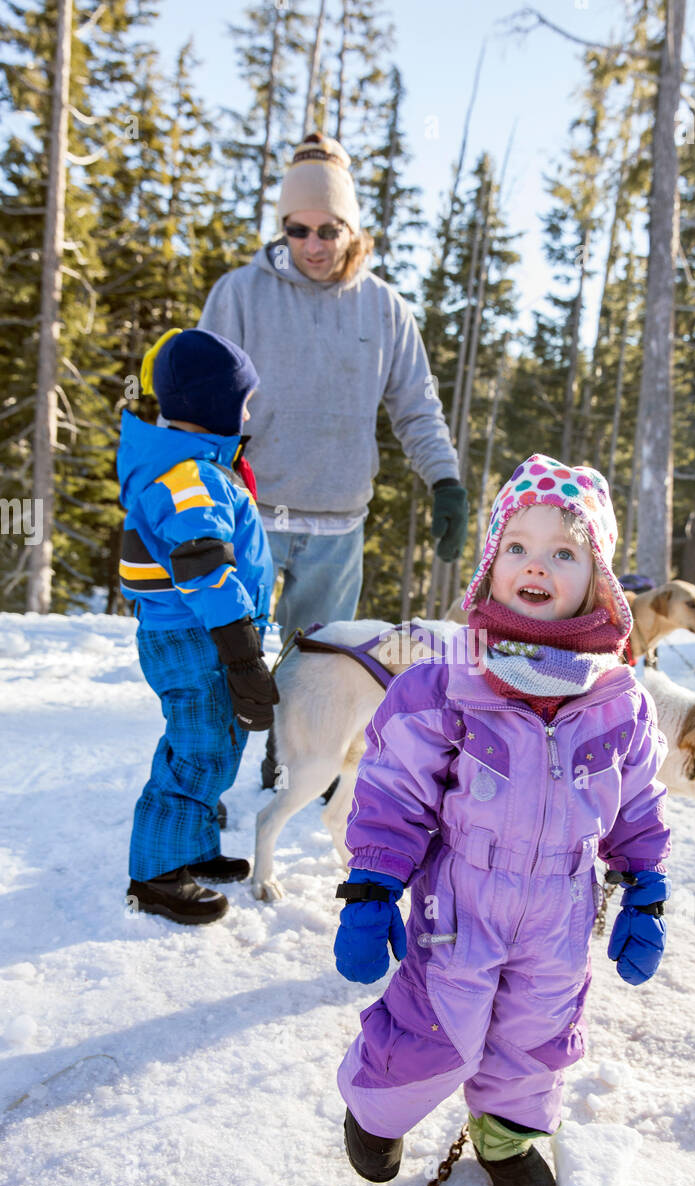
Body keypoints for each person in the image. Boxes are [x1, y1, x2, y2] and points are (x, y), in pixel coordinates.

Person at [332, 456, 671, 1186]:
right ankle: (378, 1109)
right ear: (492, 562)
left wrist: (645, 889)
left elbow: (640, 801)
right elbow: (393, 787)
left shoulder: (619, 699)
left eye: (564, 551)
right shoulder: (449, 678)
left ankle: (508, 1136)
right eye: (517, 546)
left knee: (537, 1031)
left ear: (599, 577)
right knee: (433, 1020)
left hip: (562, 907)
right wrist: (370, 885)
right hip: (461, 900)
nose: (536, 566)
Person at [197, 131, 469, 786]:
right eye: (299, 230)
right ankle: (205, 778)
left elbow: (415, 408)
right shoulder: (239, 295)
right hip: (251, 512)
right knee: (228, 653)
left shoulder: (384, 309)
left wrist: (445, 480)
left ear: (354, 228)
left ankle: (296, 766)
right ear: (283, 227)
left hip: (337, 525)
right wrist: (196, 490)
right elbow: (200, 399)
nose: (314, 245)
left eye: (329, 229)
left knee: (314, 662)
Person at [118, 328, 279, 926]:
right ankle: (156, 875)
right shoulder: (190, 478)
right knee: (198, 748)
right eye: (241, 401)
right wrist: (240, 655)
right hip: (196, 637)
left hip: (203, 634)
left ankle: (192, 850)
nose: (246, 414)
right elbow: (204, 567)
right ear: (211, 405)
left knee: (216, 743)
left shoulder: (200, 467)